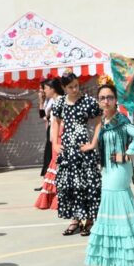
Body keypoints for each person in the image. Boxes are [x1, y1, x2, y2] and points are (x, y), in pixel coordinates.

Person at [81, 81, 134, 266]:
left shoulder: (122, 121)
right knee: (114, 211)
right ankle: (119, 258)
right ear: (99, 101)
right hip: (107, 170)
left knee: (117, 208)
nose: (106, 101)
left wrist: (127, 154)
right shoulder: (103, 121)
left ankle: (122, 262)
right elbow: (99, 138)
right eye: (102, 98)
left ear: (115, 100)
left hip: (119, 170)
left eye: (109, 97)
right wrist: (91, 145)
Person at [51, 72, 102, 235]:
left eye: (76, 85)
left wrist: (93, 143)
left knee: (87, 184)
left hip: (83, 149)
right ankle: (75, 220)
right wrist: (55, 143)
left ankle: (90, 220)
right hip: (67, 150)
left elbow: (100, 121)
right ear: (64, 88)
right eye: (71, 87)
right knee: (71, 185)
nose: (75, 89)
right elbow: (56, 122)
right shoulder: (59, 103)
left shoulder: (88, 101)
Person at [33, 78, 64, 208]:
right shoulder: (52, 101)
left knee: (56, 163)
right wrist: (41, 102)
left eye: (45, 88)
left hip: (59, 135)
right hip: (52, 134)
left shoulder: (61, 101)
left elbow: (61, 120)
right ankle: (51, 194)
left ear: (52, 88)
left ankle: (59, 196)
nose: (44, 91)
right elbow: (44, 116)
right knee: (51, 162)